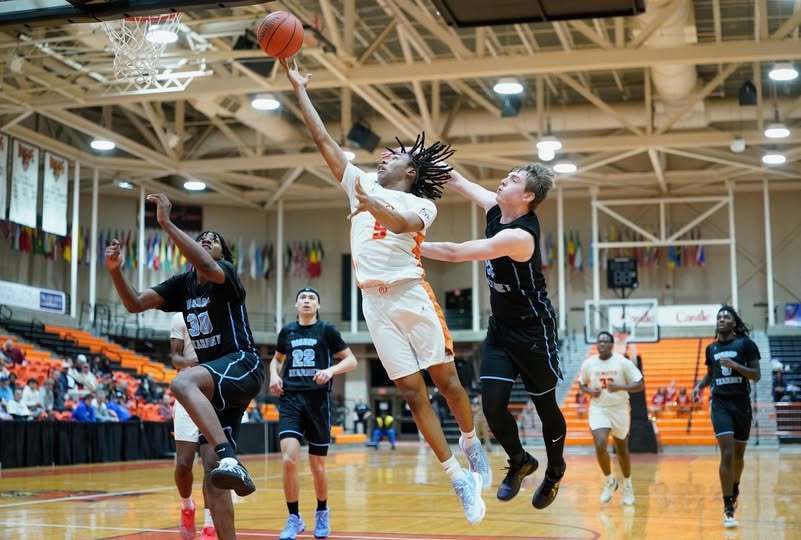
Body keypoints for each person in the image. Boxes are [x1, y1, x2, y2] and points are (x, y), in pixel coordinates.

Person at [284, 59, 489, 523]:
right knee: (413, 395)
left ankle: (472, 443)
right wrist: (299, 89)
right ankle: (456, 476)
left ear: (411, 171)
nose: (383, 156)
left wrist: (366, 197)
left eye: (393, 156)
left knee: (447, 382)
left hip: (410, 292)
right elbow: (323, 141)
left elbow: (398, 224)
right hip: (373, 303)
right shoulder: (359, 185)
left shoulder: (419, 202)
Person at [105, 194, 264, 540]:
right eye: (203, 237)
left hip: (243, 364)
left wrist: (165, 223)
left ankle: (228, 456)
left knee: (181, 384)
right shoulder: (182, 285)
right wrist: (116, 272)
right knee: (213, 476)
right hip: (215, 388)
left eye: (214, 240)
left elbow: (206, 265)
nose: (207, 239)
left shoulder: (226, 275)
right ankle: (225, 467)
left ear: (223, 254)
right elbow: (134, 303)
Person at [421, 163, 567, 509]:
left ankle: (555, 470)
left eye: (513, 180)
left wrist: (407, 241)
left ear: (528, 196)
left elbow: (455, 254)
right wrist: (424, 163)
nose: (504, 180)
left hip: (534, 331)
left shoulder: (519, 235)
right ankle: (520, 461)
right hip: (501, 329)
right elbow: (459, 181)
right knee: (491, 405)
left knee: (546, 408)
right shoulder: (496, 210)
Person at [269, 287, 358, 540]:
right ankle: (294, 518)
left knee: (317, 465)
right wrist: (274, 375)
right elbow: (276, 359)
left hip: (318, 402)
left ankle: (322, 511)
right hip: (291, 400)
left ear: (317, 306)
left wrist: (330, 371)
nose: (307, 301)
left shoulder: (326, 330)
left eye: (312, 299)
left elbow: (351, 360)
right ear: (296, 305)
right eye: (303, 298)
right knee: (288, 459)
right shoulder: (287, 331)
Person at [693, 305, 761, 529]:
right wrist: (700, 386)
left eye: (726, 316)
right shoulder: (711, 349)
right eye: (719, 316)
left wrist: (735, 365)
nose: (722, 319)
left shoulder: (745, 345)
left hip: (741, 404)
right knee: (728, 452)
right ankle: (728, 506)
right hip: (720, 404)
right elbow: (711, 374)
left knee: (739, 456)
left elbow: (756, 375)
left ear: (734, 322)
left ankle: (736, 486)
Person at [578, 332, 643, 506]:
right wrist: (590, 391)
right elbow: (581, 384)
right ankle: (609, 481)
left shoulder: (622, 362)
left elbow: (639, 383)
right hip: (599, 408)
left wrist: (620, 387)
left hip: (620, 409)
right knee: (600, 443)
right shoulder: (589, 363)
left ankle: (627, 485)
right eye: (599, 341)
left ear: (612, 345)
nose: (602, 344)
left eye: (606, 341)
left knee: (621, 449)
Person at [169, 311, 215, 540]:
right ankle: (187, 505)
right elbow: (175, 358)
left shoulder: (222, 312)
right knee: (184, 464)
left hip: (215, 394)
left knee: (211, 464)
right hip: (188, 393)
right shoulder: (180, 317)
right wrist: (191, 363)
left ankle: (209, 523)